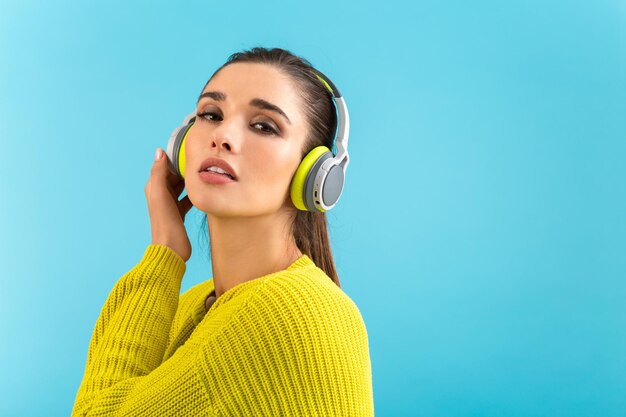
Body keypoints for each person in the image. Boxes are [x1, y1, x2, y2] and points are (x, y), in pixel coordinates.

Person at [71, 47, 374, 416]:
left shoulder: (292, 312)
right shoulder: (188, 307)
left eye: (264, 125)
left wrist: (165, 251)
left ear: (315, 174)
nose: (223, 136)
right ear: (182, 145)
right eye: (211, 114)